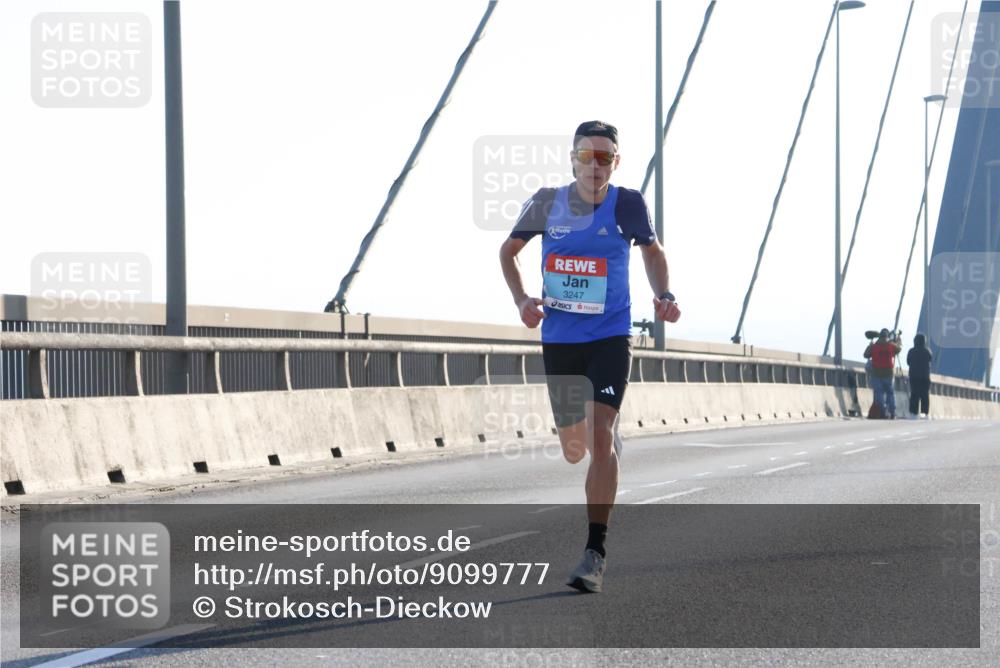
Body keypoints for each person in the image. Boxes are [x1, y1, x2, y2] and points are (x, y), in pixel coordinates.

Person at [498, 120, 680, 593]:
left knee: (600, 436)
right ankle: (601, 439)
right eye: (586, 156)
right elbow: (508, 252)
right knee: (574, 448)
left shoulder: (628, 204)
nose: (594, 166)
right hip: (560, 339)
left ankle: (594, 553)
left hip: (610, 336)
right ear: (572, 158)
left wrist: (664, 294)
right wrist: (522, 300)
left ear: (614, 163)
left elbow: (653, 253)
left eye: (604, 157)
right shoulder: (546, 202)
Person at [864, 328, 902, 419]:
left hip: (877, 373)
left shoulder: (874, 346)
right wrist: (898, 341)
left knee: (878, 394)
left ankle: (882, 412)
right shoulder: (891, 346)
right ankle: (892, 413)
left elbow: (865, 355)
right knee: (890, 393)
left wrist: (870, 346)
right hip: (889, 373)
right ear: (887, 336)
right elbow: (899, 349)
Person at [906, 333, 932, 418]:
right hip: (925, 377)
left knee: (914, 395)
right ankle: (925, 413)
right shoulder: (927, 351)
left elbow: (908, 362)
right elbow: (930, 359)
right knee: (925, 395)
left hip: (914, 376)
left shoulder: (911, 351)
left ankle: (913, 413)